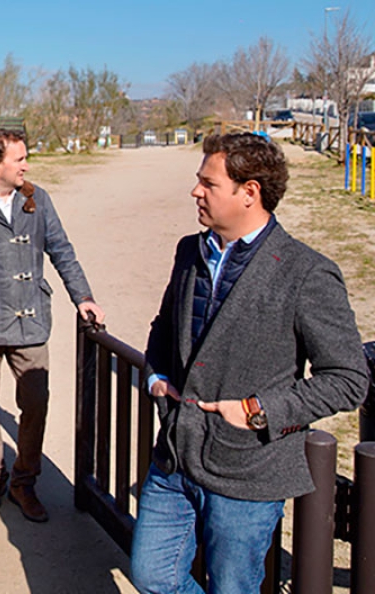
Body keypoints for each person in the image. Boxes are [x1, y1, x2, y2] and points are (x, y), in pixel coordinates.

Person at [131, 132, 368, 594]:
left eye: (208, 183)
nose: (195, 191)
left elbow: (347, 379)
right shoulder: (189, 252)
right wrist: (157, 375)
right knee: (152, 575)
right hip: (176, 455)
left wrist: (258, 408)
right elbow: (165, 326)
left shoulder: (307, 272)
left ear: (249, 192)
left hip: (248, 471)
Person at [0, 128, 105, 522]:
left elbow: (61, 249)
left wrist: (84, 296)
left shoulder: (36, 199)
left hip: (29, 320)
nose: (27, 164)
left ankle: (24, 481)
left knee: (36, 404)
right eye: (20, 158)